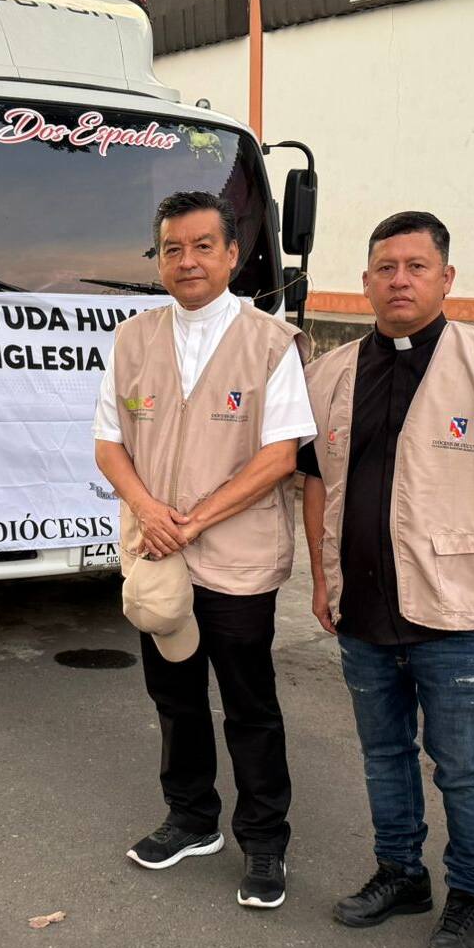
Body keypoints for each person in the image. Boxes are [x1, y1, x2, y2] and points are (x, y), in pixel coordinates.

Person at [300, 211, 474, 948]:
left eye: (415, 266)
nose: (399, 279)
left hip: (458, 608)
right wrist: (322, 577)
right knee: (383, 755)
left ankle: (471, 896)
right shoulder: (333, 374)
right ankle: (400, 873)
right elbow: (316, 482)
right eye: (386, 267)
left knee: (464, 766)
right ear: (366, 281)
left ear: (446, 277)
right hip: (363, 608)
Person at [94, 190, 315, 910]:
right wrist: (150, 511)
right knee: (175, 697)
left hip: (238, 561)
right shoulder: (132, 340)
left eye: (201, 246)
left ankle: (265, 841)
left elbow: (280, 457)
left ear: (231, 254)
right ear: (159, 260)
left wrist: (190, 521)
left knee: (249, 705)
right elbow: (109, 444)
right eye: (172, 249)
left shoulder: (269, 343)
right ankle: (191, 819)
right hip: (159, 557)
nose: (186, 261)